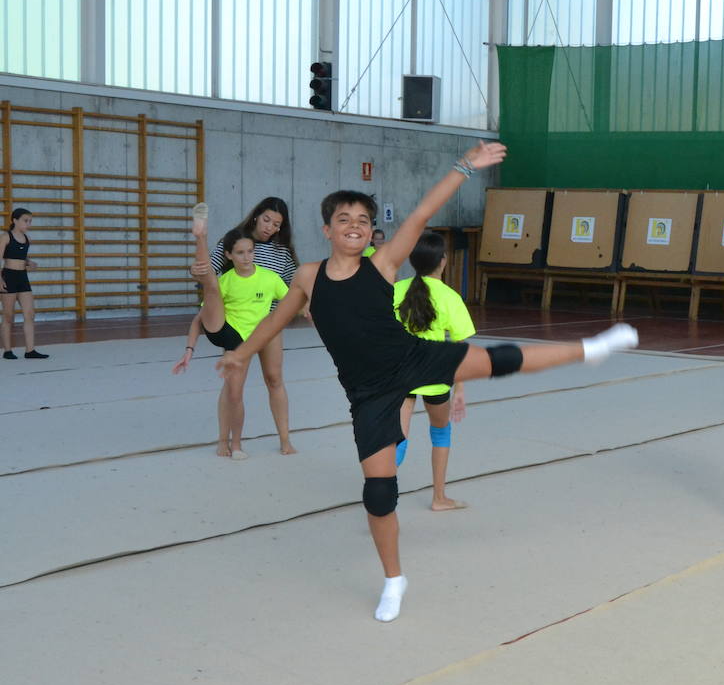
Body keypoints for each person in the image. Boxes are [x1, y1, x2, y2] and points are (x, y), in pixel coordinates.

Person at [216, 142, 639, 622]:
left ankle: (590, 349)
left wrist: (463, 167)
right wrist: (242, 353)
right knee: (378, 494)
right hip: (368, 393)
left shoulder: (381, 265)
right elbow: (275, 319)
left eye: (362, 220)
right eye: (344, 219)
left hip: (414, 358)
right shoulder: (309, 277)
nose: (354, 226)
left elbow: (420, 215)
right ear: (326, 229)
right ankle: (394, 580)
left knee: (499, 359)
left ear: (371, 232)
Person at [177, 197, 301, 453]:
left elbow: (294, 288)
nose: (270, 227)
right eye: (267, 220)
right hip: (237, 325)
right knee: (233, 385)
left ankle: (285, 439)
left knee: (275, 379)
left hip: (269, 325)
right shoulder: (233, 240)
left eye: (276, 224)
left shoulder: (282, 253)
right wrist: (194, 270)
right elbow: (208, 273)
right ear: (256, 216)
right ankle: (227, 441)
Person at [393, 230, 474, 512]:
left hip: (400, 375)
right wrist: (461, 389)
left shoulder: (396, 290)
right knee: (441, 433)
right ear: (443, 261)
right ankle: (439, 498)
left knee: (397, 442)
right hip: (436, 378)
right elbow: (461, 350)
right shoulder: (450, 297)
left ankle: (382, 498)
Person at [1, 207, 50, 359]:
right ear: (14, 220)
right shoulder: (5, 237)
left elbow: (21, 256)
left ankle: (30, 350)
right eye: (25, 220)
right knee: (9, 316)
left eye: (30, 221)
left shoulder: (27, 239)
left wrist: (30, 262)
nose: (28, 224)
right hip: (8, 277)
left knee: (30, 314)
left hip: (22, 277)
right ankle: (7, 351)